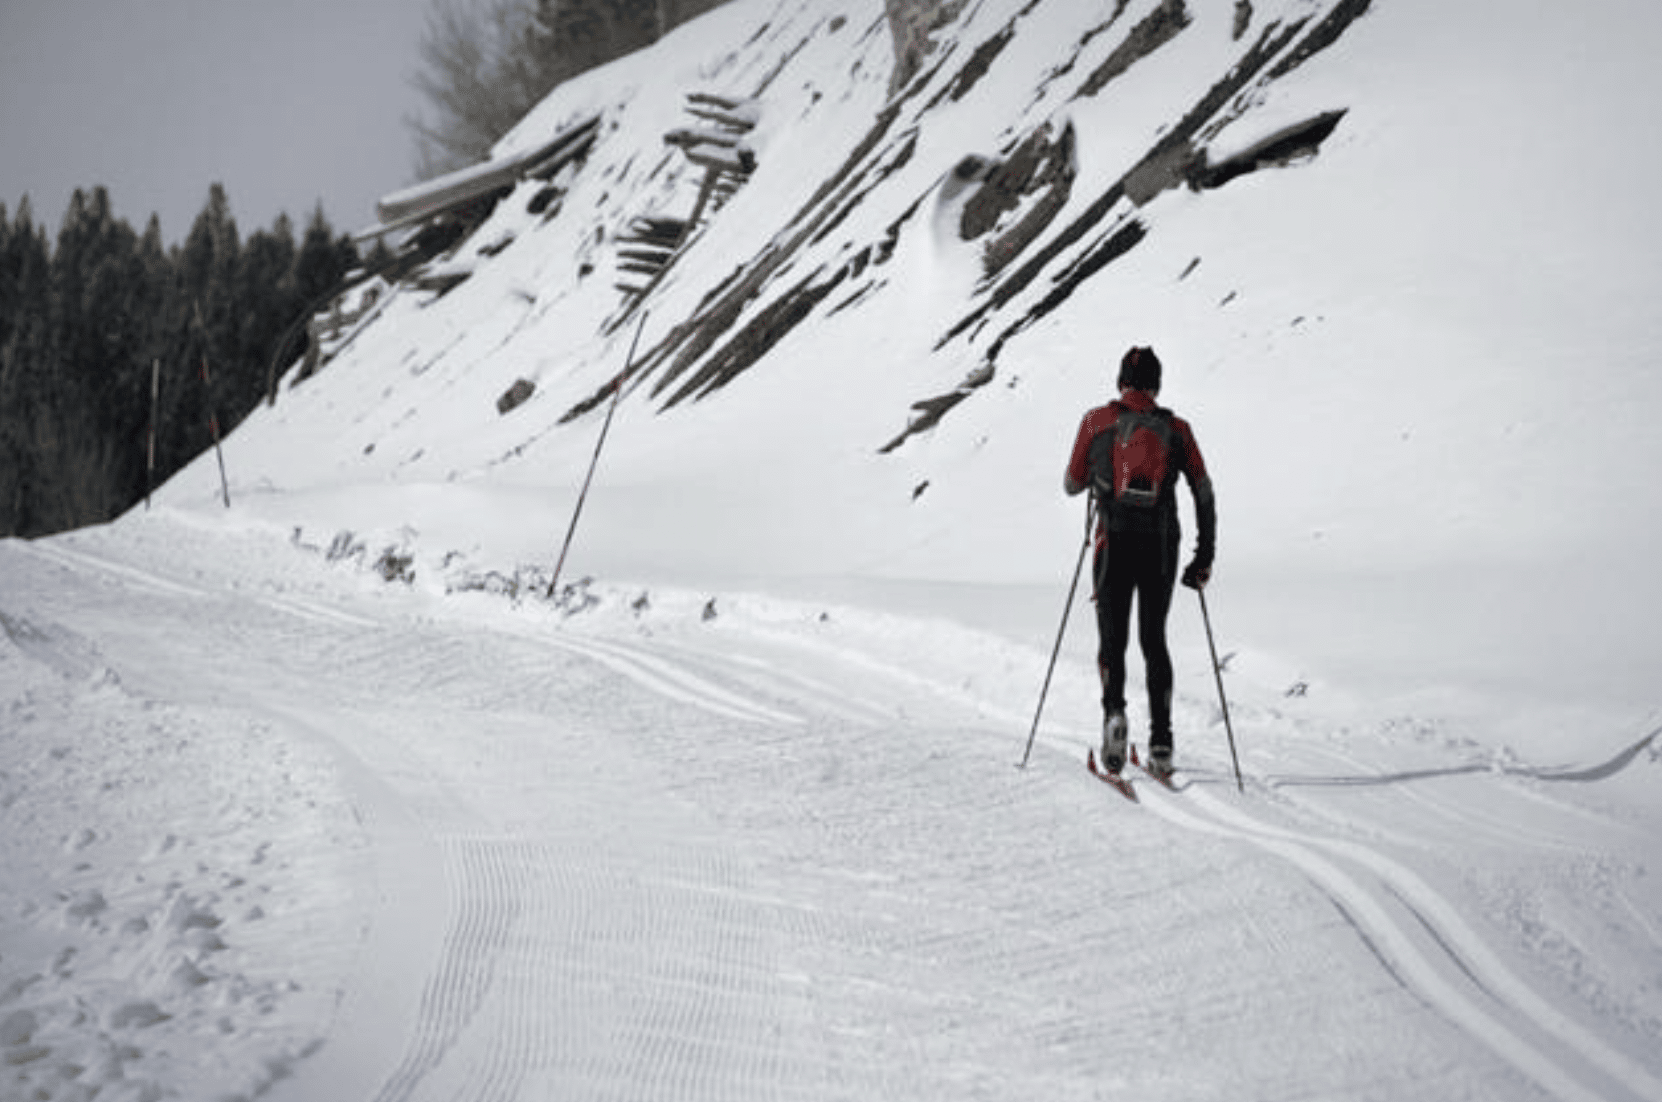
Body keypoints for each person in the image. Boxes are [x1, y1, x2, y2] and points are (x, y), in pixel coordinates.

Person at [1064, 346, 1216, 776]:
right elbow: (1203, 492)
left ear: (1120, 382)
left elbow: (1071, 484)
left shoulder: (1097, 421)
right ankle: (1162, 741)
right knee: (1154, 640)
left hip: (1113, 542)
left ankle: (1115, 716)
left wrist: (1099, 472)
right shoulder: (1178, 429)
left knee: (1113, 639)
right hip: (1162, 544)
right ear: (1157, 384)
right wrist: (1204, 557)